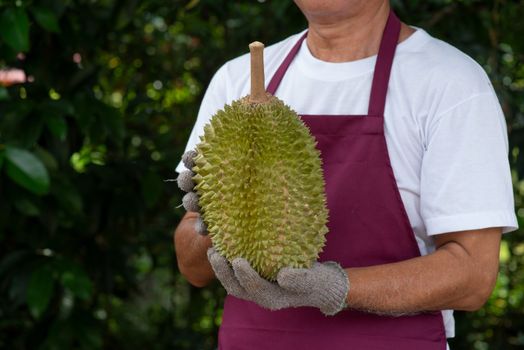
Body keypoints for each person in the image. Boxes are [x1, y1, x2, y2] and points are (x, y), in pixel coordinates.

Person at [173, 1, 518, 349]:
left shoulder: (450, 83)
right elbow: (193, 268)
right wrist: (214, 217)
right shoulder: (237, 81)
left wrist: (337, 287)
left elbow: (473, 276)